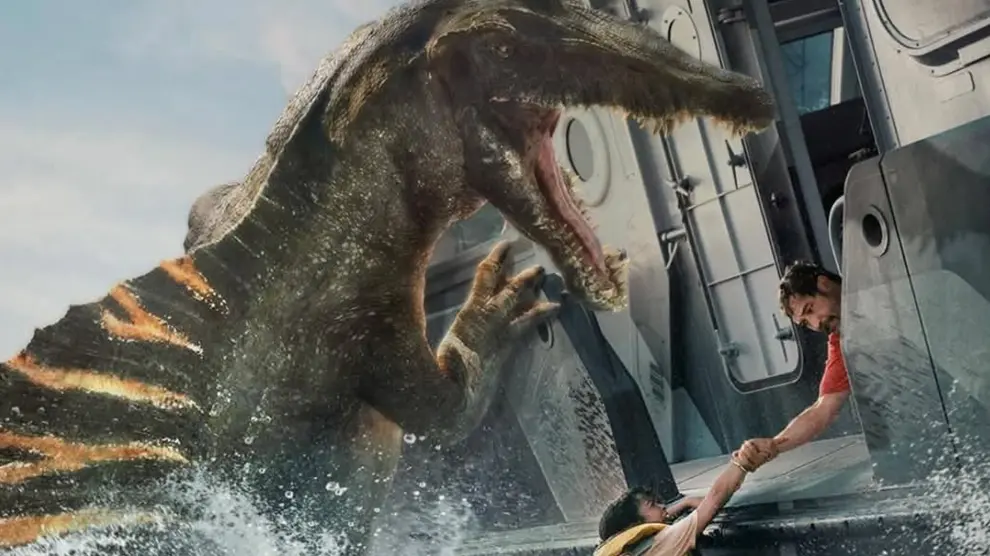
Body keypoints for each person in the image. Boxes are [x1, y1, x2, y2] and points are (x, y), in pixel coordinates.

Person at [735, 260, 849, 471]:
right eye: (806, 323)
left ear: (823, 284)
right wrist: (773, 446)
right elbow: (822, 410)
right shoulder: (842, 342)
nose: (816, 324)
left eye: (810, 309)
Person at [594, 445, 772, 556]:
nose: (663, 506)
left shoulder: (627, 550)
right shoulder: (662, 543)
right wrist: (742, 462)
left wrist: (684, 503)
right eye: (652, 505)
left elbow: (651, 521)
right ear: (635, 525)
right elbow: (715, 498)